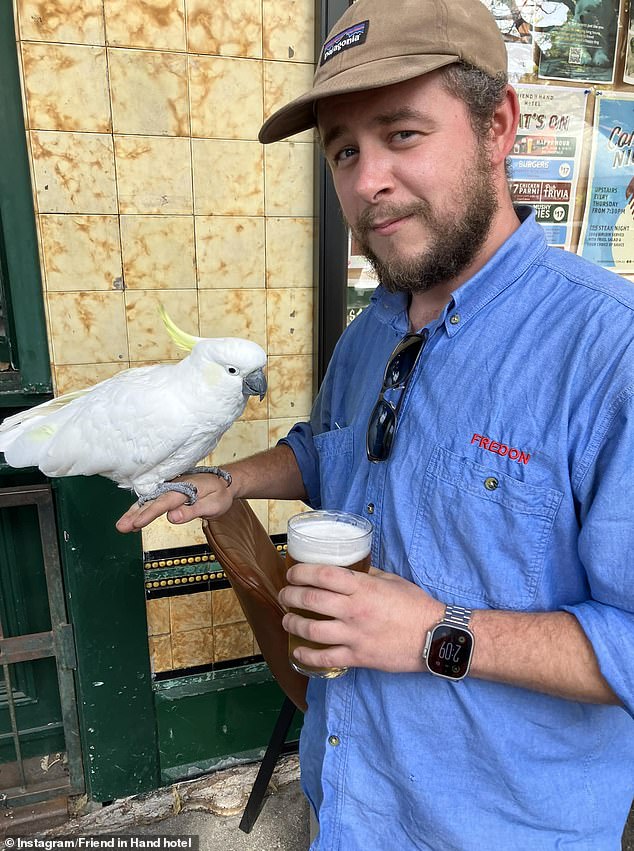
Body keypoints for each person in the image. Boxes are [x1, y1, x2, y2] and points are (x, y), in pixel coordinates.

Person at [118, 0, 634, 846]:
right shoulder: (369, 334)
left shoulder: (610, 354)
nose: (366, 182)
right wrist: (230, 480)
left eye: (402, 135)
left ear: (497, 126)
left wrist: (437, 633)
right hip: (349, 801)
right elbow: (332, 455)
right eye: (345, 151)